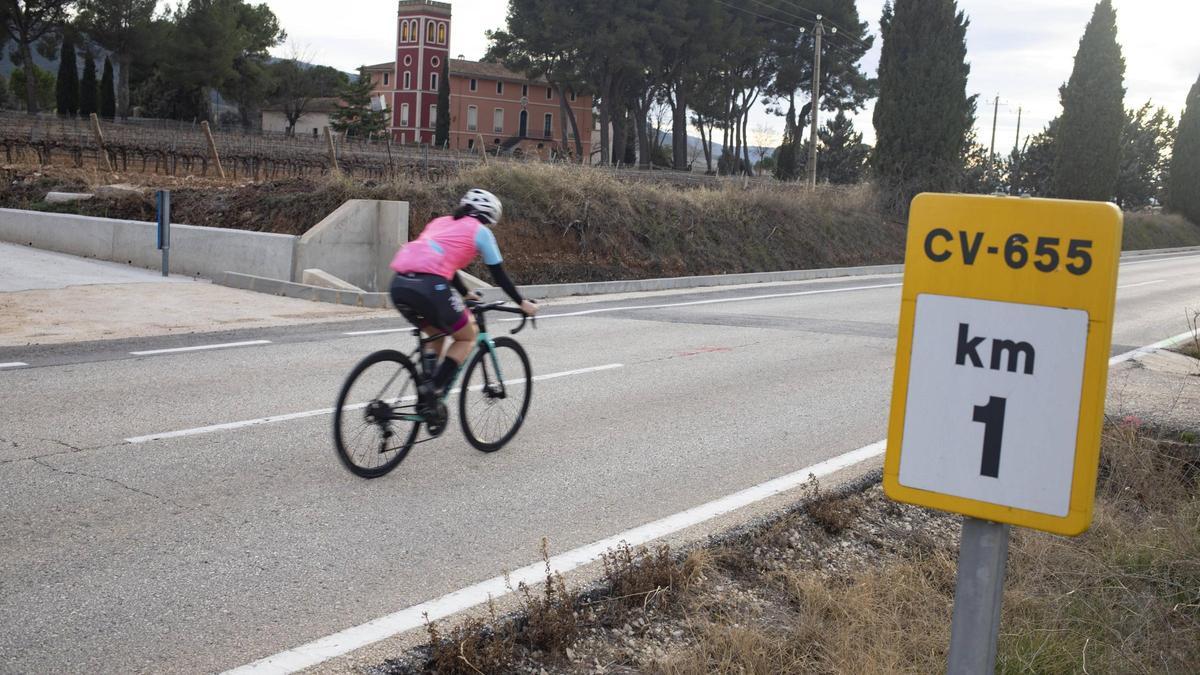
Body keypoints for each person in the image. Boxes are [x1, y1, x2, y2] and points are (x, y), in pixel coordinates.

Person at [389, 188, 538, 401]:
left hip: (400, 284)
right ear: (489, 215)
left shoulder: (440, 222)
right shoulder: (481, 232)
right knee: (467, 337)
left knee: (436, 335)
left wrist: (465, 293)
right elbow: (499, 275)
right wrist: (522, 303)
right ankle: (432, 391)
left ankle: (426, 391)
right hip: (430, 286)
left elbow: (443, 263)